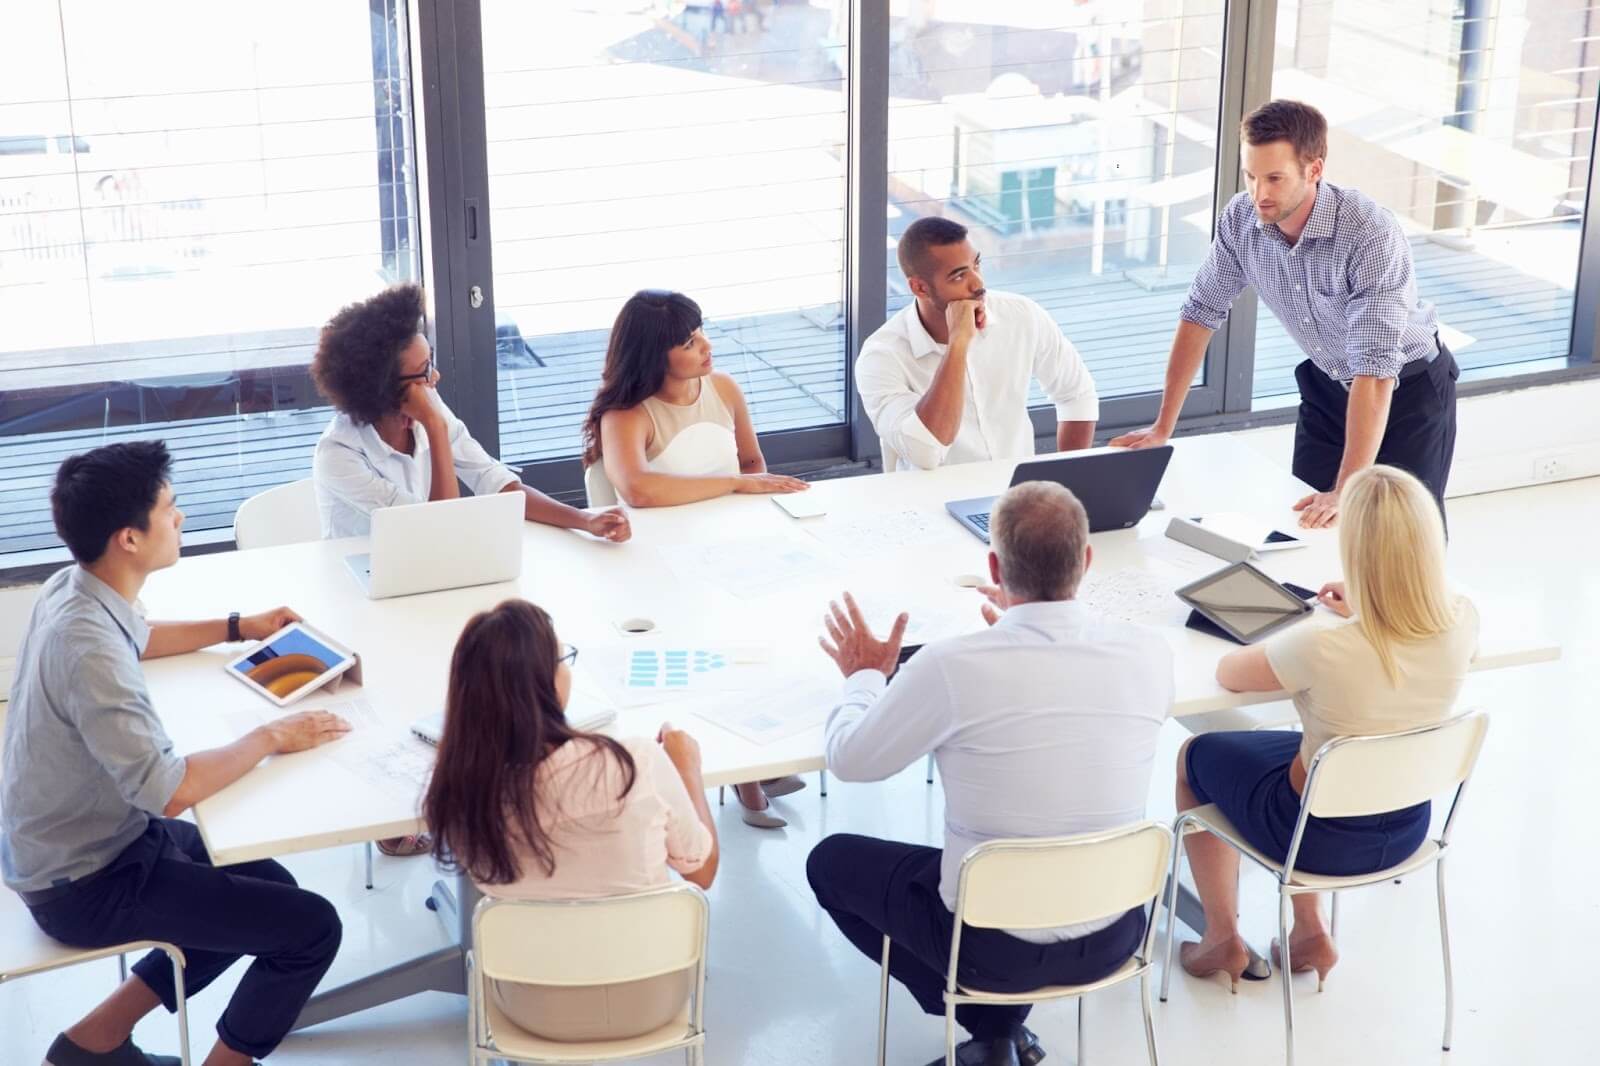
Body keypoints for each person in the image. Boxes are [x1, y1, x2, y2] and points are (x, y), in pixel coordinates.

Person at [1, 441, 350, 1066]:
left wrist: (241, 625)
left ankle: (91, 1042)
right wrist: (271, 735)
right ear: (129, 538)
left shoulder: (75, 589)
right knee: (312, 928)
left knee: (270, 889)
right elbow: (170, 791)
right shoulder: (88, 650)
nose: (181, 517)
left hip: (80, 845)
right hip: (86, 883)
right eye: (170, 507)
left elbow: (139, 638)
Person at [806, 482, 1173, 1066]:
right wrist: (1022, 627)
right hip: (1118, 936)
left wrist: (864, 677)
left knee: (829, 862)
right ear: (1087, 560)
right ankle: (999, 1034)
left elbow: (850, 761)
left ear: (995, 568)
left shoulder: (953, 664)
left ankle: (989, 1026)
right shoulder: (1150, 653)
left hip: (988, 952)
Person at [1173, 465, 1478, 990]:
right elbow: (1404, 656)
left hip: (1311, 841)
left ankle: (1221, 936)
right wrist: (1371, 609)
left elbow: (1230, 676)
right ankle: (1309, 930)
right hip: (1409, 826)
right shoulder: (1463, 617)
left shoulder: (1320, 645)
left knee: (1195, 755)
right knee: (1315, 752)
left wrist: (1333, 626)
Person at [1112, 100, 1458, 528]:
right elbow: (1200, 313)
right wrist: (1163, 427)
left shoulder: (1368, 231)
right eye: (1251, 176)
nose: (1260, 193)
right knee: (1303, 522)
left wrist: (1346, 487)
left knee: (1403, 536)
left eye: (1275, 178)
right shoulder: (1241, 219)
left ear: (1314, 170)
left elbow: (1375, 366)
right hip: (1329, 388)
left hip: (1407, 389)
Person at [421, 599, 718, 1042]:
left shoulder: (460, 793)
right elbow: (703, 870)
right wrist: (686, 768)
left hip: (532, 1009)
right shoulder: (633, 761)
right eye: (563, 658)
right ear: (546, 682)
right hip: (652, 998)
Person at [582, 289, 809, 826]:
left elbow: (754, 463)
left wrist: (745, 501)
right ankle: (747, 777)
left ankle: (755, 759)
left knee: (767, 631)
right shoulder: (627, 415)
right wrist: (731, 485)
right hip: (658, 568)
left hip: (731, 548)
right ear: (654, 354)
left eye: (701, 330)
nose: (705, 345)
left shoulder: (724, 388)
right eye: (688, 341)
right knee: (714, 641)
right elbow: (637, 490)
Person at [311, 282, 631, 543]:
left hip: (421, 561)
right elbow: (438, 528)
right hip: (360, 580)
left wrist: (584, 520)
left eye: (431, 362)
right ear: (382, 388)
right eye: (424, 371)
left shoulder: (428, 406)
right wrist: (435, 429)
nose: (435, 378)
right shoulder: (339, 454)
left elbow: (496, 483)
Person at [856, 217, 1099, 472]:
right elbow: (925, 452)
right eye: (959, 276)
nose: (979, 284)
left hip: (1017, 498)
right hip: (930, 505)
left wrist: (1070, 479)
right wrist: (958, 343)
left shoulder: (1021, 315)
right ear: (920, 287)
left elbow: (1076, 394)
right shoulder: (881, 357)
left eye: (976, 265)